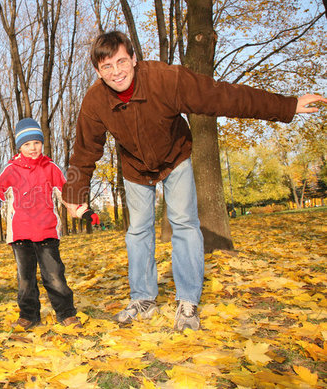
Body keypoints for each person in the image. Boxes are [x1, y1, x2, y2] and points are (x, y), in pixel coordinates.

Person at [61, 30, 327, 331]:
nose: (116, 71)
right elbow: (84, 150)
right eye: (106, 67)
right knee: (138, 231)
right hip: (135, 168)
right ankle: (143, 298)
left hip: (176, 158)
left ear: (134, 58)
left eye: (121, 61)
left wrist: (287, 106)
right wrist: (74, 191)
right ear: (98, 71)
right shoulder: (95, 101)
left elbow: (223, 96)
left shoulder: (167, 80)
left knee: (184, 222)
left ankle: (187, 301)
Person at [0, 118, 99, 330]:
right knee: (25, 279)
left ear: (42, 143)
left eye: (36, 143)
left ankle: (66, 314)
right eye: (27, 144)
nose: (32, 148)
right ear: (19, 147)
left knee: (54, 276)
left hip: (47, 233)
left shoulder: (51, 167)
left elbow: (68, 194)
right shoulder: (9, 170)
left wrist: (83, 211)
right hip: (20, 235)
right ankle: (29, 315)